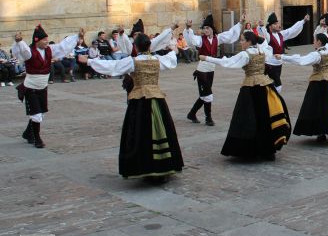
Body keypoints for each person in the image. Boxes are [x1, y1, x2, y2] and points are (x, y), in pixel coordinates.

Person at [82, 26, 184, 180]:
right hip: (157, 99)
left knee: (140, 132)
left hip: (140, 101)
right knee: (161, 130)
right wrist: (174, 50)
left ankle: (143, 166)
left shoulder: (133, 62)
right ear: (149, 46)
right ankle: (164, 165)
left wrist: (89, 61)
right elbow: (171, 60)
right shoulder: (157, 60)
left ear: (135, 46)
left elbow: (114, 67)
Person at [202, 31, 291, 161]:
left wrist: (207, 58)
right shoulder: (262, 51)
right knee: (265, 118)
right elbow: (269, 49)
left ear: (249, 41)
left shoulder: (245, 54)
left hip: (251, 89)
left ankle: (250, 150)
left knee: (248, 118)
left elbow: (228, 63)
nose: (241, 42)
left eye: (243, 40)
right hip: (265, 87)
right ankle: (268, 149)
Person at [14, 25, 82, 148]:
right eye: (44, 40)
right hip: (31, 88)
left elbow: (63, 46)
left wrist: (78, 36)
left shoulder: (49, 49)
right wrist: (19, 41)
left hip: (42, 88)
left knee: (41, 113)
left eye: (47, 39)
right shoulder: (30, 52)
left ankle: (28, 133)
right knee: (36, 114)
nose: (46, 42)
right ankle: (37, 138)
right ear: (36, 41)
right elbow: (22, 51)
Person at [278, 33, 328, 144]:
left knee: (317, 107)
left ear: (319, 42)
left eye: (314, 40)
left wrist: (283, 57)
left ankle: (321, 132)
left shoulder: (317, 55)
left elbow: (301, 60)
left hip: (318, 84)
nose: (313, 42)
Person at [183, 14, 244, 126]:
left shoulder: (217, 38)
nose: (205, 30)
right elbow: (191, 40)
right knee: (208, 94)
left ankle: (192, 113)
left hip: (211, 70)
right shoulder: (201, 40)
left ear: (212, 29)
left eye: (207, 28)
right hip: (202, 71)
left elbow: (230, 34)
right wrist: (188, 28)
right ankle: (208, 118)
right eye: (204, 28)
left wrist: (240, 22)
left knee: (204, 95)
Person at [264, 12, 309, 93]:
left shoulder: (281, 34)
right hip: (269, 64)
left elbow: (291, 30)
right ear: (270, 26)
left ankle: (268, 99)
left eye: (278, 23)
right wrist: (260, 27)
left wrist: (303, 21)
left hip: (279, 64)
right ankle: (274, 101)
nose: (278, 25)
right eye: (275, 24)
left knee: (272, 84)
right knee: (278, 85)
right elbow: (262, 33)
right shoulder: (268, 36)